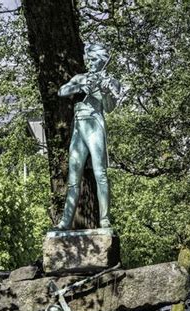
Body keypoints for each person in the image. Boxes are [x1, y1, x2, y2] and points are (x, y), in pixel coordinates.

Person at [56, 43, 123, 230]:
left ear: (103, 61)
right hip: (79, 126)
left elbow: (109, 108)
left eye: (94, 60)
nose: (91, 63)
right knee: (73, 177)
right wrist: (80, 86)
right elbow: (61, 91)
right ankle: (65, 220)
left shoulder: (111, 81)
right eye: (90, 59)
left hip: (95, 124)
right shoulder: (81, 78)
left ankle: (104, 219)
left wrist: (106, 91)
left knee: (100, 173)